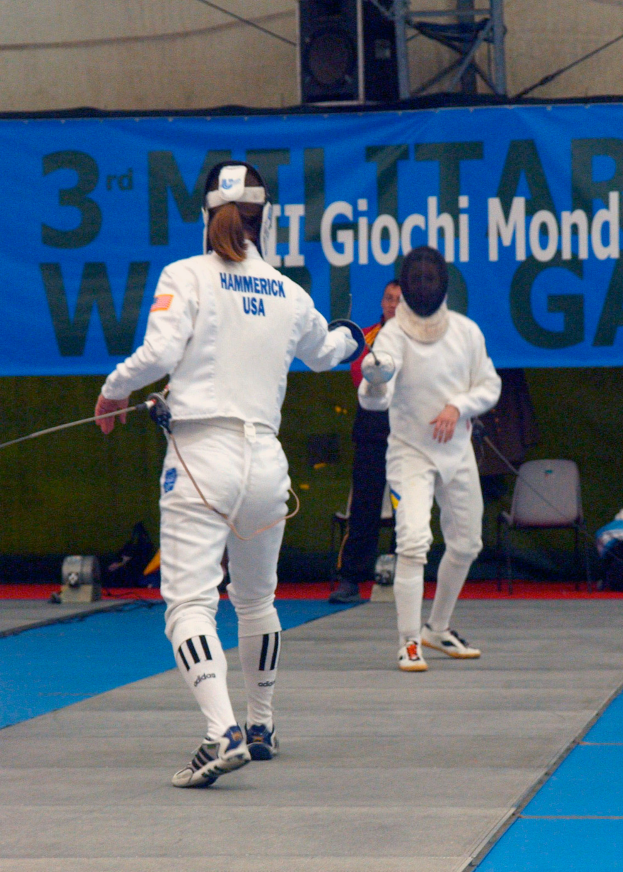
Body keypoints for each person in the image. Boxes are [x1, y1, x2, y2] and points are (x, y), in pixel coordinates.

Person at [94, 161, 360, 785]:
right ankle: (260, 722)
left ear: (205, 211)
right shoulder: (290, 293)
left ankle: (222, 733)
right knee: (256, 599)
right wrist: (356, 335)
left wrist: (112, 394)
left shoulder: (184, 275)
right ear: (265, 218)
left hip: (200, 462)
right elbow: (328, 352)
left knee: (189, 603)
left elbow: (159, 353)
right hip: (266, 465)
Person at [358, 245, 501, 672]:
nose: (423, 285)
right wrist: (375, 382)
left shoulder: (466, 332)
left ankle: (436, 628)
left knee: (468, 542)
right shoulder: (392, 336)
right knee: (414, 542)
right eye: (416, 279)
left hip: (457, 454)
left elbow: (489, 385)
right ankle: (408, 641)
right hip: (410, 455)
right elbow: (373, 401)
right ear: (405, 286)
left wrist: (458, 406)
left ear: (443, 284)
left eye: (430, 278)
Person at [328, 280, 401, 604]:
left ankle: (404, 572)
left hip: (408, 432)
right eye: (388, 298)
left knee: (409, 506)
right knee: (363, 507)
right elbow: (358, 373)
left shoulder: (421, 338)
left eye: (399, 299)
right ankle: (351, 578)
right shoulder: (368, 336)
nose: (392, 304)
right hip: (372, 429)